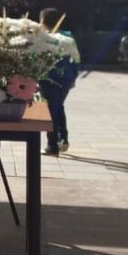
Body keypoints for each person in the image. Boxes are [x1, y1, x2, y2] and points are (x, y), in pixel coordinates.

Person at [39, 8, 80, 156]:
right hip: (66, 78)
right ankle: (63, 138)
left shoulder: (43, 39)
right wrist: (74, 77)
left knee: (51, 110)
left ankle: (52, 145)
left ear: (42, 22)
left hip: (49, 79)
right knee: (57, 107)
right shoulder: (68, 38)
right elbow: (76, 59)